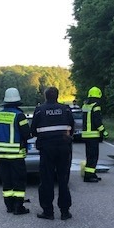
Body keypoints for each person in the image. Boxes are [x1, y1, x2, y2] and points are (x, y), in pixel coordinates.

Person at [31, 86, 75, 220]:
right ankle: (65, 212)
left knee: (47, 180)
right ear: (57, 96)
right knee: (63, 179)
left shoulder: (39, 111)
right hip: (64, 148)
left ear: (45, 96)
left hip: (47, 149)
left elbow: (33, 131)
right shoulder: (66, 109)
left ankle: (48, 211)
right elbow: (72, 128)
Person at [0, 88, 31, 215]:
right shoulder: (19, 115)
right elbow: (27, 134)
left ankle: (9, 206)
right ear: (17, 102)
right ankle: (19, 207)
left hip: (1, 155)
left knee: (7, 181)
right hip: (16, 155)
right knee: (19, 181)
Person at [81, 86, 108, 182]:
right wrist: (103, 131)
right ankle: (89, 176)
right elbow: (97, 121)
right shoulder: (96, 106)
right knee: (93, 156)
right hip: (93, 135)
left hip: (86, 135)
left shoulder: (85, 106)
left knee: (89, 156)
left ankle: (91, 173)